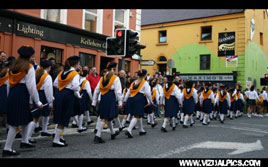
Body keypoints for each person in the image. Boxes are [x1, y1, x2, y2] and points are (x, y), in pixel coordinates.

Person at [3, 45, 44, 157]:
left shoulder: (12, 67)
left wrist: (9, 97)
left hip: (13, 94)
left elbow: (8, 84)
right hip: (22, 94)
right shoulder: (29, 67)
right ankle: (7, 148)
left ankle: (24, 141)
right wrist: (38, 101)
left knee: (26, 119)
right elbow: (31, 87)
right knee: (14, 124)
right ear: (29, 57)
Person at [53, 55, 81, 147]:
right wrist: (69, 89)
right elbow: (75, 86)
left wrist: (63, 87)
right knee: (64, 117)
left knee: (60, 116)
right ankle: (56, 140)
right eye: (78, 64)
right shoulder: (75, 74)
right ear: (76, 64)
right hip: (68, 95)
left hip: (60, 94)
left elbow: (55, 84)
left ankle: (60, 137)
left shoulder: (62, 72)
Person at [92, 62, 122, 143]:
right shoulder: (115, 78)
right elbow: (118, 92)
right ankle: (97, 136)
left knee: (108, 116)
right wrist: (120, 102)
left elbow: (97, 90)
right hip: (111, 97)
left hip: (103, 97)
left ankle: (112, 133)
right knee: (104, 117)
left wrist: (94, 101)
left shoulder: (102, 78)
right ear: (114, 69)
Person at [27, 60, 54, 144]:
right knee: (36, 118)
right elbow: (48, 90)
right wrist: (50, 102)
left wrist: (31, 100)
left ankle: (44, 130)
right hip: (43, 96)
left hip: (37, 94)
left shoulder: (36, 74)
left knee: (44, 114)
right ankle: (27, 137)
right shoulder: (47, 76)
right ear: (48, 67)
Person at [123, 69, 153, 138]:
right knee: (137, 115)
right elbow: (148, 93)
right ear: (145, 75)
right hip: (139, 99)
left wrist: (125, 100)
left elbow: (128, 92)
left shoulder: (133, 82)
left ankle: (141, 130)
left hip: (131, 99)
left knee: (138, 115)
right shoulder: (145, 83)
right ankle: (129, 130)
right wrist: (151, 101)